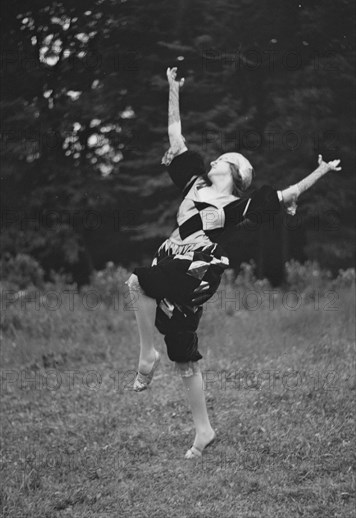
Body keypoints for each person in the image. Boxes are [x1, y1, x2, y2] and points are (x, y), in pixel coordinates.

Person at [125, 67, 342, 459]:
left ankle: (145, 356)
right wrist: (173, 90)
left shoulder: (236, 205)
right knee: (184, 356)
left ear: (233, 171)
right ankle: (204, 431)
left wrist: (321, 171)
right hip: (175, 263)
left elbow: (284, 194)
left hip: (195, 273)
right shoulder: (194, 184)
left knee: (137, 283)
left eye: (223, 160)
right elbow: (176, 138)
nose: (215, 161)